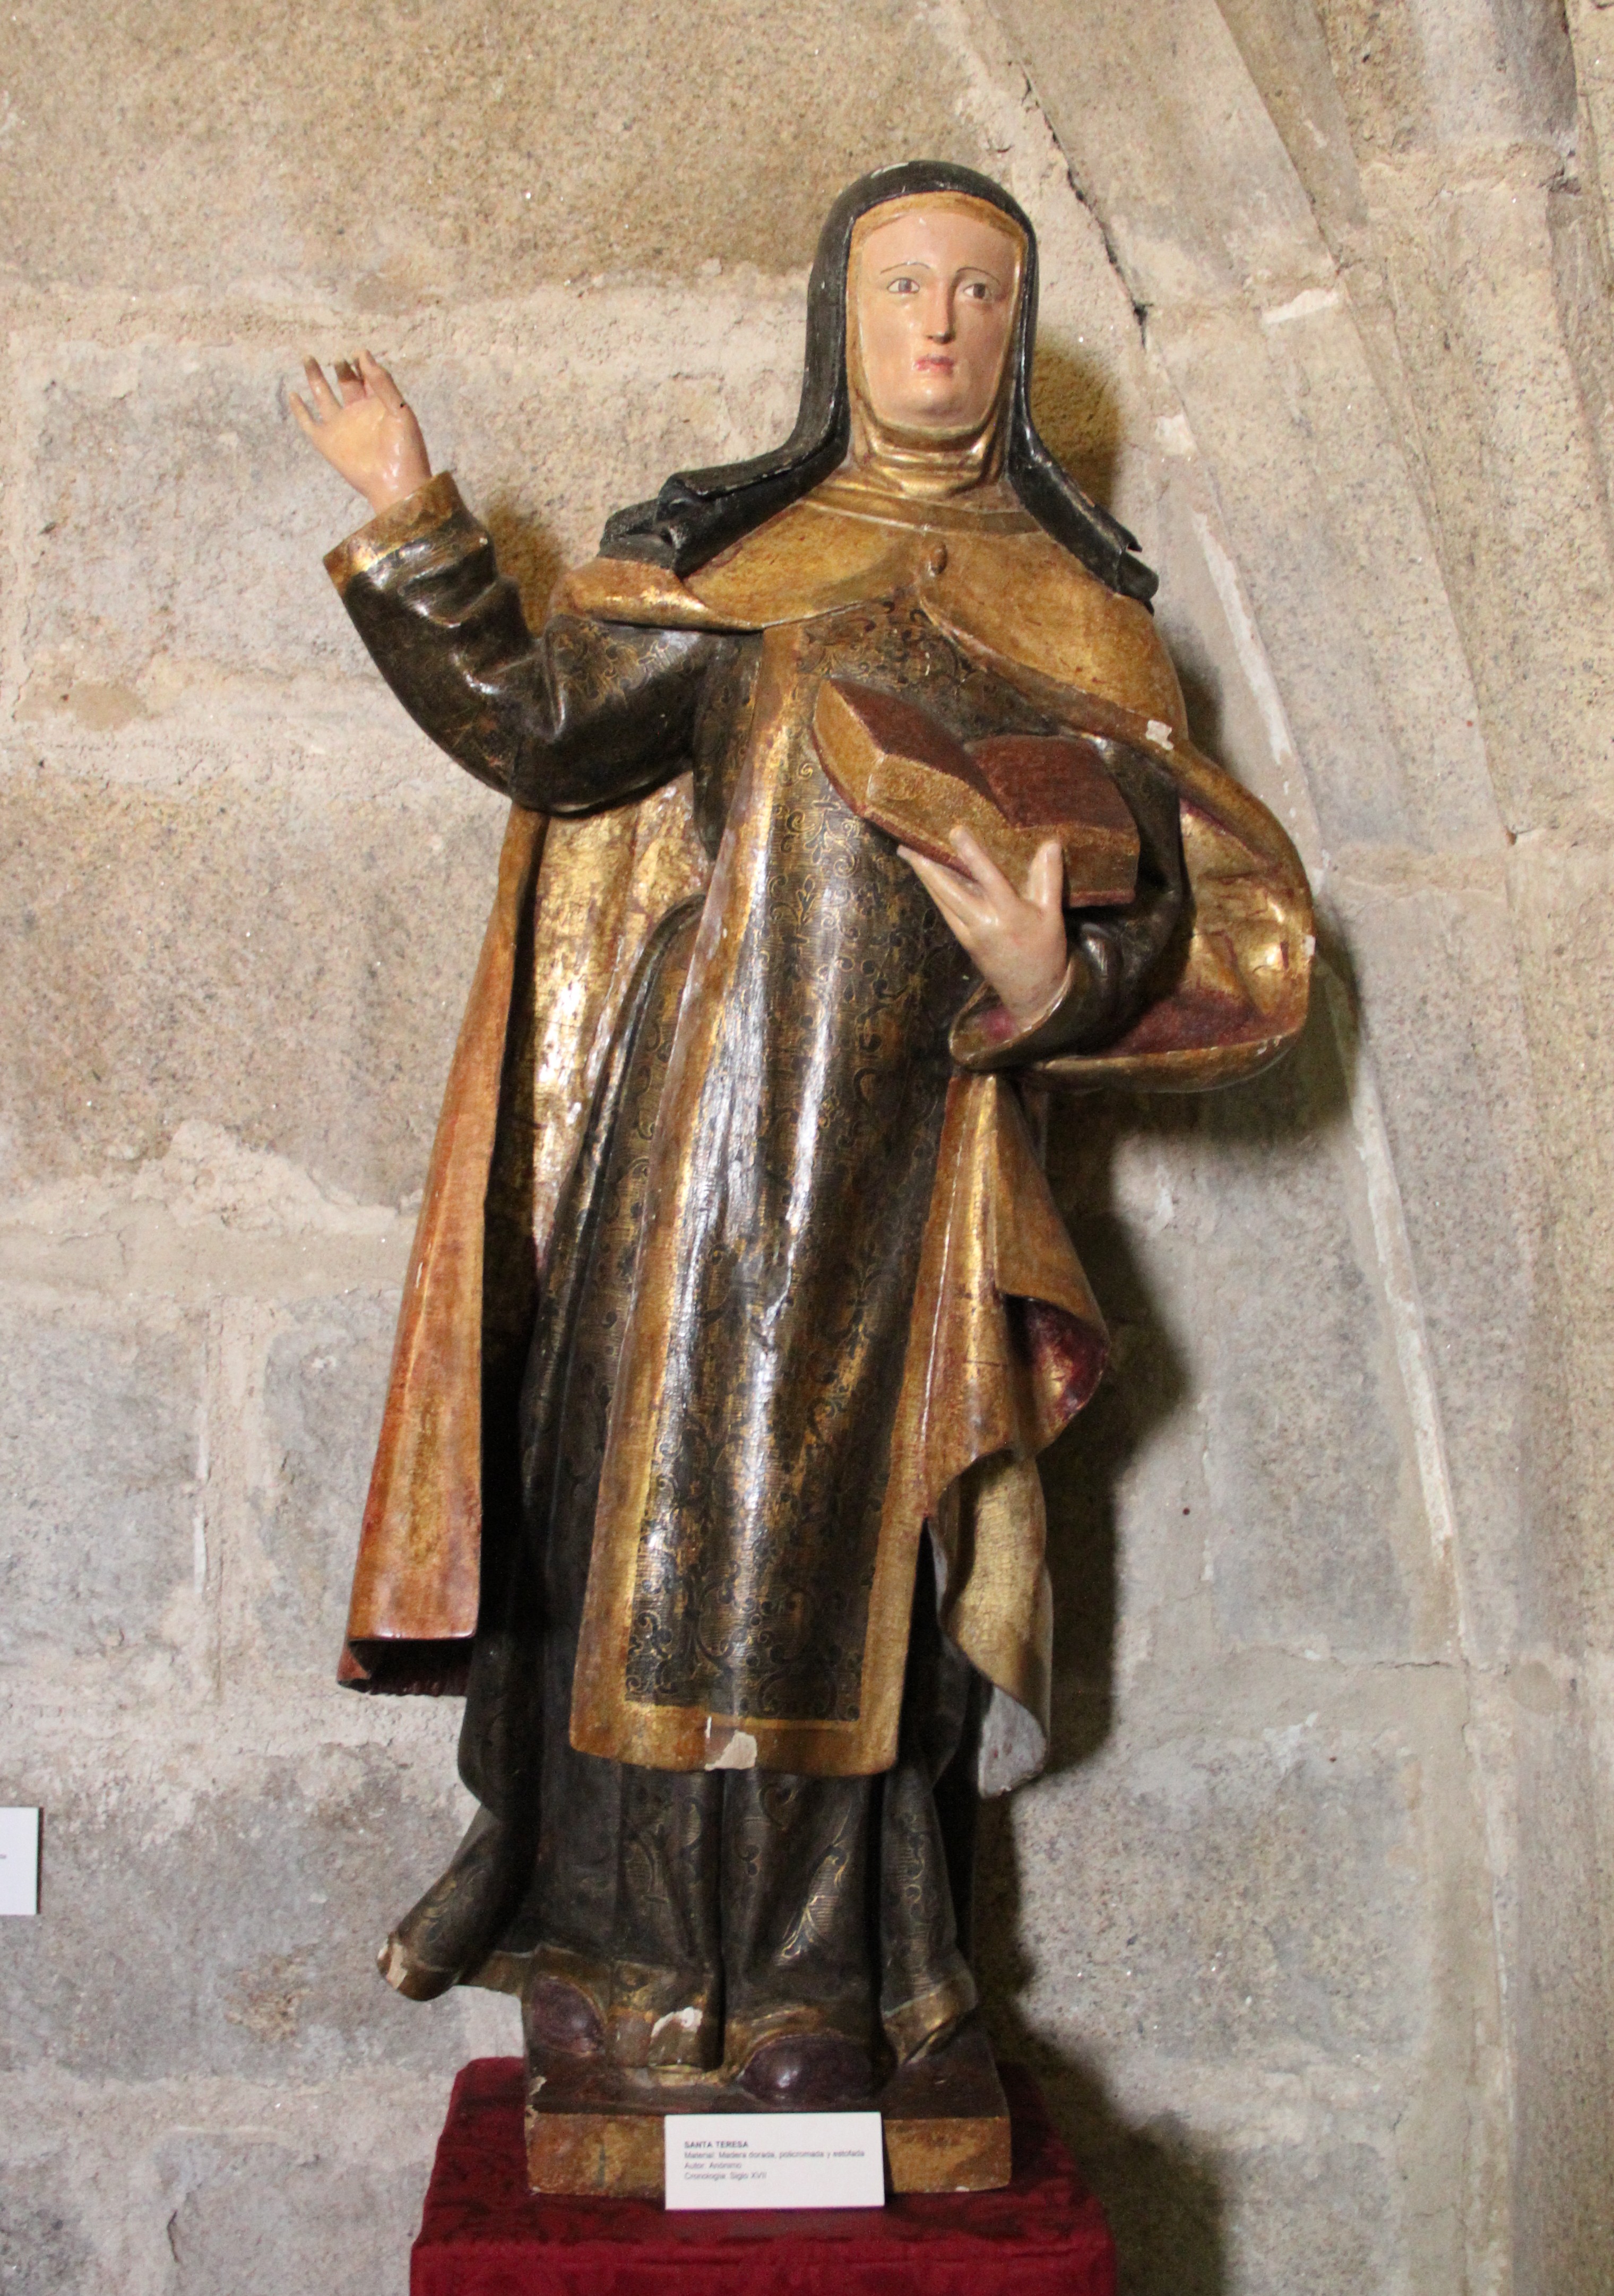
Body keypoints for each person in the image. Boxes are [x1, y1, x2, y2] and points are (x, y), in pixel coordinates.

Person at [291, 161, 1310, 2108]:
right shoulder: (743, 564)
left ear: (1017, 337)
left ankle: (818, 1987)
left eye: (981, 293)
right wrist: (408, 510)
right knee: (640, 1533)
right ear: (840, 315)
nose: (939, 324)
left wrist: (1056, 971)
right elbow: (541, 729)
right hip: (687, 1146)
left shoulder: (1088, 620)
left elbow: (1188, 912)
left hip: (908, 1175)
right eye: (904, 284)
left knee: (854, 1560)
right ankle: (619, 1960)